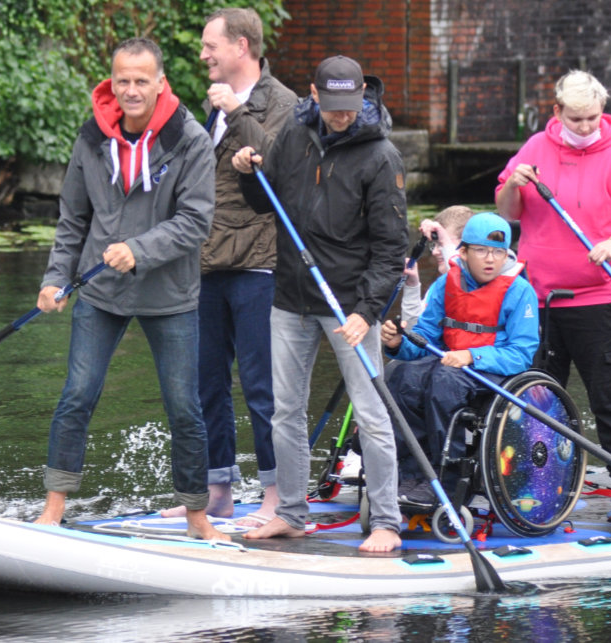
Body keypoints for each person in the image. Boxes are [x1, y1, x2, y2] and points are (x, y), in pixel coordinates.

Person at [33, 38, 223, 542]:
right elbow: (73, 218)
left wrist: (140, 248)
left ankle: (198, 518)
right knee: (76, 395)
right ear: (111, 84)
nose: (132, 90)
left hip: (171, 295)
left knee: (184, 407)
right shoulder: (92, 136)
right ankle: (53, 508)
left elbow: (196, 221)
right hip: (100, 292)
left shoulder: (190, 140)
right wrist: (56, 278)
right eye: (123, 81)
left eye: (142, 80)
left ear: (160, 83)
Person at [230, 55, 408, 553]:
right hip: (291, 296)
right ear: (313, 94)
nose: (342, 115)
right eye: (333, 106)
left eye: (350, 106)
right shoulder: (294, 135)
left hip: (349, 304)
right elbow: (265, 202)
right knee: (285, 409)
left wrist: (366, 311)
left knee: (371, 412)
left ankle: (387, 522)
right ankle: (290, 513)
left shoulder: (381, 156)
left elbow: (392, 248)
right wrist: (248, 171)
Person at [494, 70, 611, 523]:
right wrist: (515, 183)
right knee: (535, 397)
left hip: (601, 297)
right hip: (540, 299)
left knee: (610, 397)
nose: (586, 126)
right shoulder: (535, 149)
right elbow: (508, 211)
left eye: (592, 117)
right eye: (577, 119)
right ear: (557, 113)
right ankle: (532, 483)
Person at [157, 8, 298, 526]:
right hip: (206, 263)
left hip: (260, 265)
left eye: (209, 45)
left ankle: (276, 495)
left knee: (263, 386)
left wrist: (239, 111)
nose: (202, 54)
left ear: (241, 47)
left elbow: (281, 170)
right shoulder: (212, 106)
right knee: (205, 382)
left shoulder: (283, 104)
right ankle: (216, 489)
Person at [379, 213, 539, 506]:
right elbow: (427, 337)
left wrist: (471, 356)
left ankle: (447, 481)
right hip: (450, 362)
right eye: (481, 250)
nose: (491, 259)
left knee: (444, 382)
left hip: (494, 370)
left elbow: (521, 354)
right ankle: (410, 475)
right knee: (401, 377)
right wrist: (398, 344)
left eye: (498, 252)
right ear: (463, 252)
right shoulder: (445, 284)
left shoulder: (520, 291)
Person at [397, 205, 475, 320]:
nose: (434, 252)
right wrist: (412, 287)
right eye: (435, 244)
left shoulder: (481, 284)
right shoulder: (437, 287)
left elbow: (461, 281)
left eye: (441, 244)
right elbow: (414, 329)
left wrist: (445, 243)